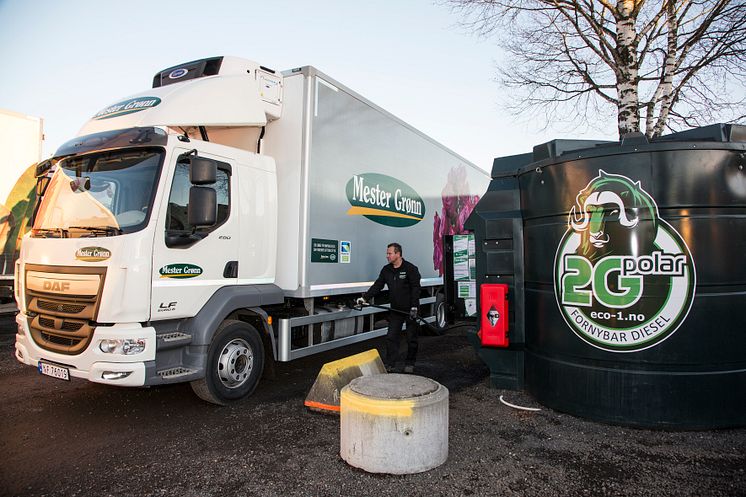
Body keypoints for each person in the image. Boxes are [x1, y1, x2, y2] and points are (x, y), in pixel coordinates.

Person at [357, 243, 421, 373]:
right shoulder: (386, 270)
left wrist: (414, 306)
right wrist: (365, 298)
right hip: (395, 310)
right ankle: (390, 364)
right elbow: (378, 285)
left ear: (398, 254)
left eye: (389, 253)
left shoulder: (410, 269)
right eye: (387, 253)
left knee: (411, 338)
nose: (387, 256)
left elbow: (416, 288)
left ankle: (410, 363)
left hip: (410, 310)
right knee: (391, 337)